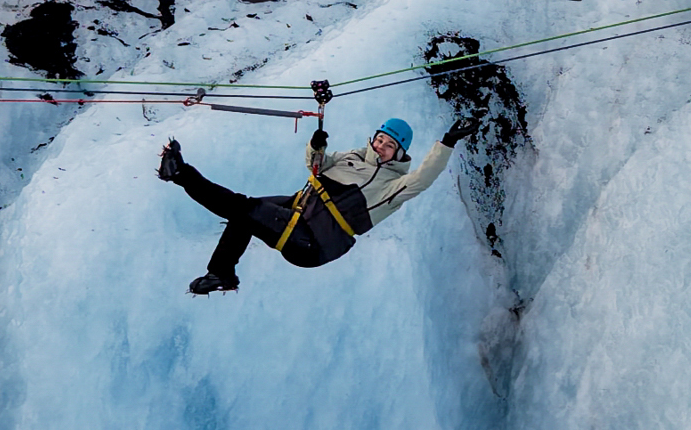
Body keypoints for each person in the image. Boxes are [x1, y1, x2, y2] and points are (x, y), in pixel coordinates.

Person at [159, 95, 465, 296]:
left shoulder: (391, 187)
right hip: (301, 207)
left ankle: (180, 174)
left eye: (388, 145)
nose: (380, 146)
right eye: (379, 139)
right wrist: (315, 146)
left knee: (244, 208)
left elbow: (424, 178)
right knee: (244, 214)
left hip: (314, 241)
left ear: (399, 153)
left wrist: (447, 143)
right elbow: (317, 165)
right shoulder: (354, 157)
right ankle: (221, 273)